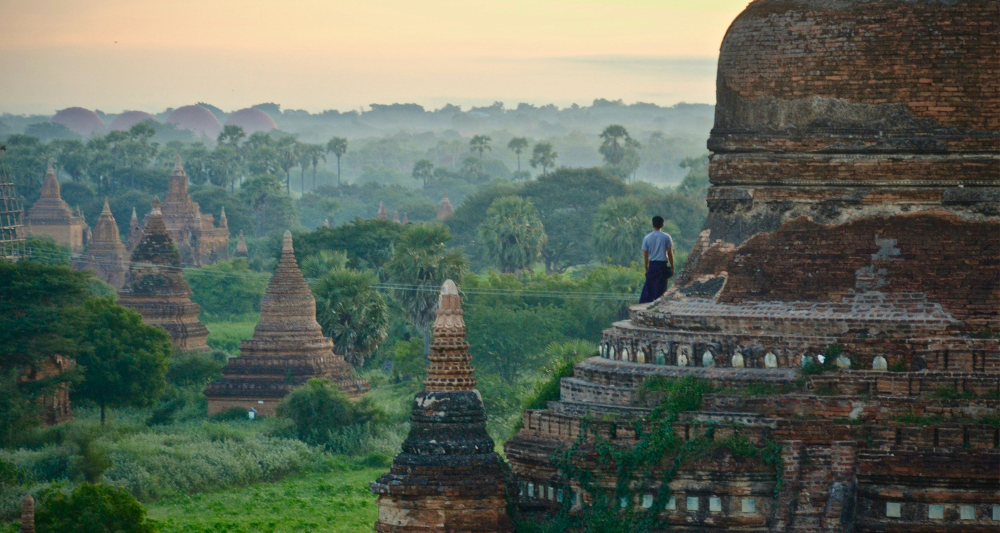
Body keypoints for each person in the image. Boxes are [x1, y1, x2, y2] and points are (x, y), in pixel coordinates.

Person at [639, 216, 674, 304]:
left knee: (649, 287)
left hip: (652, 265)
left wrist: (646, 268)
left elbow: (646, 256)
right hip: (662, 265)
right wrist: (672, 266)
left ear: (652, 224)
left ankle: (647, 305)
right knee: (661, 288)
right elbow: (670, 253)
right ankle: (659, 305)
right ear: (662, 224)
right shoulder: (666, 237)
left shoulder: (647, 238)